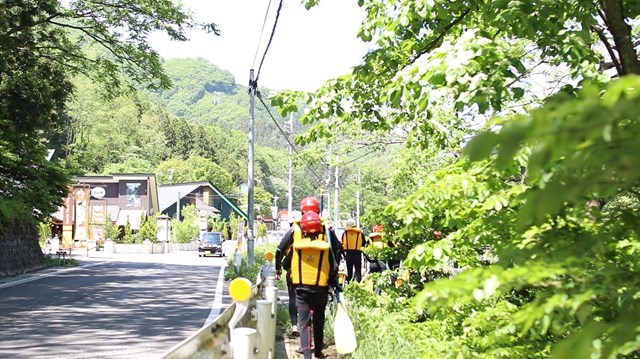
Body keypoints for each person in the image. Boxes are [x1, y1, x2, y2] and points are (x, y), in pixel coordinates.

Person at [281, 196, 342, 359]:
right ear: (318, 212)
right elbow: (335, 260)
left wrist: (282, 267)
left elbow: (285, 260)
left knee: (304, 323)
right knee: (319, 320)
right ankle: (319, 351)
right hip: (321, 288)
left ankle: (307, 354)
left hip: (301, 288)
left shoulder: (296, 235)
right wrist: (334, 280)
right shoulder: (327, 234)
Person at [275, 210, 303, 337]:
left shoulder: (293, 232)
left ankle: (295, 325)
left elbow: (279, 250)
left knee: (293, 298)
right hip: (314, 272)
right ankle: (307, 325)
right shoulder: (316, 232)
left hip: (294, 271)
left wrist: (278, 267)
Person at [341, 218, 364, 283]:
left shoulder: (345, 233)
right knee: (358, 270)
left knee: (349, 271)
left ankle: (349, 284)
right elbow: (363, 243)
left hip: (348, 254)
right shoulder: (360, 233)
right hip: (357, 254)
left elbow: (342, 242)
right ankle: (358, 284)